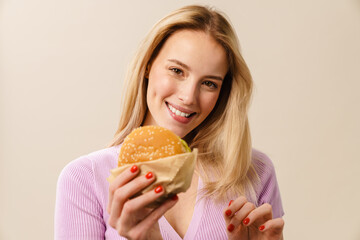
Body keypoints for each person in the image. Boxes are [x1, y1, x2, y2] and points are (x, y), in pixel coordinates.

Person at [55, 5, 285, 240]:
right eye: (177, 70)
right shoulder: (83, 179)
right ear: (147, 66)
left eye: (209, 83)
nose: (188, 97)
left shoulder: (254, 172)